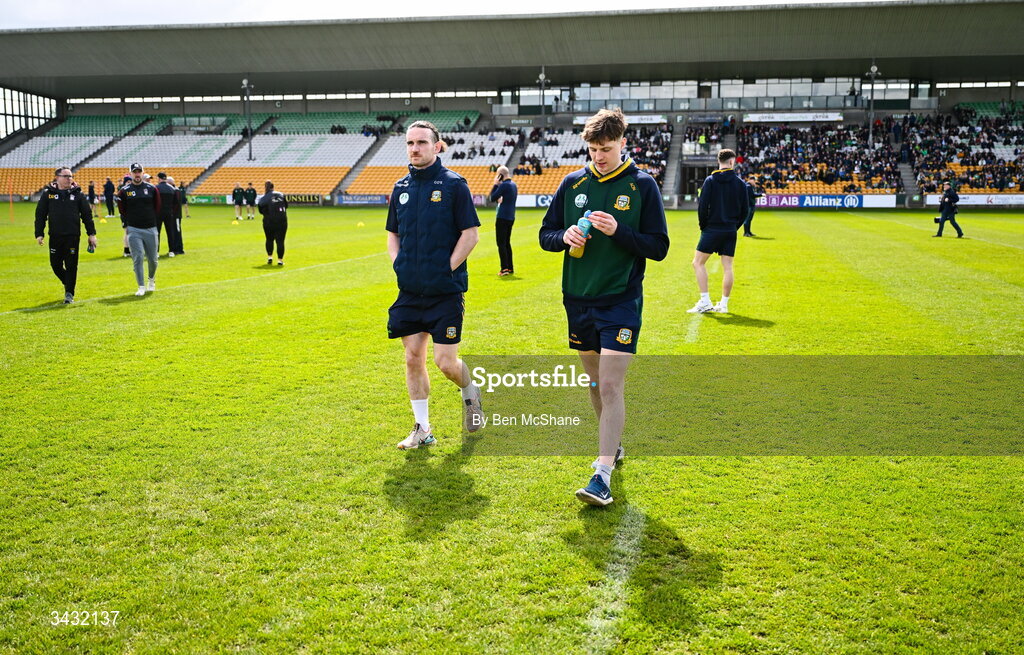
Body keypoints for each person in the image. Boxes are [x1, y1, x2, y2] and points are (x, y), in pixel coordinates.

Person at [538, 108, 670, 506]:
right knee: (595, 384)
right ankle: (611, 449)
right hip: (577, 300)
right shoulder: (572, 182)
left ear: (623, 143)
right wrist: (566, 237)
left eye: (607, 149)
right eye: (594, 149)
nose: (599, 156)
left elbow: (659, 247)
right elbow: (545, 234)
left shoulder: (642, 185)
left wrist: (620, 231)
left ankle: (601, 474)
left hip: (620, 301)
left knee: (611, 384)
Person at [386, 120, 484, 450]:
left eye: (421, 143)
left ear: (437, 146)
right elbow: (393, 235)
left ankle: (470, 392)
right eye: (410, 143)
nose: (415, 148)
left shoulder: (455, 185)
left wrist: (446, 269)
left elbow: (470, 235)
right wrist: (398, 264)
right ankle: (422, 429)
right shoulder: (400, 188)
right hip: (410, 292)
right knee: (413, 358)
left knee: (445, 363)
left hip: (445, 291)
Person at [687, 149, 749, 314]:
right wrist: (734, 227)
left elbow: (702, 206)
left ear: (719, 161)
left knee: (697, 263)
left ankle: (705, 301)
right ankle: (724, 304)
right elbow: (745, 210)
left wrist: (703, 226)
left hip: (712, 228)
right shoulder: (740, 183)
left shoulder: (710, 180)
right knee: (727, 266)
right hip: (730, 229)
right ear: (731, 162)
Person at [34, 167, 96, 304]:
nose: (69, 179)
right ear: (57, 177)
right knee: (55, 265)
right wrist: (39, 233)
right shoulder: (48, 194)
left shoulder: (78, 194)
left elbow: (87, 216)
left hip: (73, 236)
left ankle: (69, 293)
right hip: (55, 236)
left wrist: (91, 234)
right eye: (66, 176)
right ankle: (68, 282)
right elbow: (40, 215)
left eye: (70, 176)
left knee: (71, 265)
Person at [117, 163, 161, 296]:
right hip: (134, 229)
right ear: (130, 173)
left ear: (142, 173)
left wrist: (150, 219)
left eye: (139, 171)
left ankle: (151, 280)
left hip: (150, 228)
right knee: (138, 257)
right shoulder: (124, 191)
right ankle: (141, 286)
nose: (137, 174)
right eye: (134, 172)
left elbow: (157, 206)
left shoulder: (152, 189)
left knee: (153, 259)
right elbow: (122, 209)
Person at [489, 165, 518, 276]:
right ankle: (510, 267)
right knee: (506, 243)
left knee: (501, 243)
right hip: (511, 216)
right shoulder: (513, 185)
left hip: (502, 217)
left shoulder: (504, 185)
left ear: (500, 175)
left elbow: (492, 197)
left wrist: (495, 185)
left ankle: (504, 268)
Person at [258, 180, 287, 265]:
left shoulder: (263, 198)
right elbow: (286, 206)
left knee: (269, 239)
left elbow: (260, 210)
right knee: (280, 241)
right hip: (282, 221)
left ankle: (270, 257)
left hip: (268, 221)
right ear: (273, 187)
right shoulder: (281, 195)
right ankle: (280, 260)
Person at [155, 172, 183, 257]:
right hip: (169, 213)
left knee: (157, 233)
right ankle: (172, 251)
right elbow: (176, 202)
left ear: (159, 178)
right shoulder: (172, 189)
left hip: (158, 213)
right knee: (170, 233)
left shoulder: (156, 188)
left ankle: (156, 252)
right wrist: (172, 212)